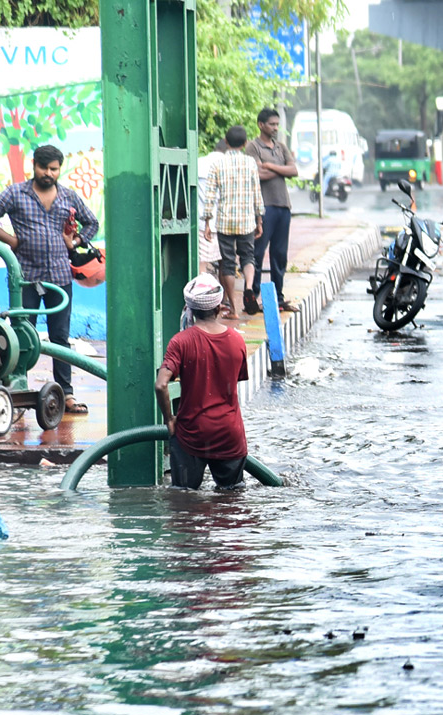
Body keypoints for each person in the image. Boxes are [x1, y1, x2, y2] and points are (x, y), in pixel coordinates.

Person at [0, 143, 99, 414]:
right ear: (34, 165)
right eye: (43, 167)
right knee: (20, 336)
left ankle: (66, 394)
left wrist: (75, 240)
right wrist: (12, 241)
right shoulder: (16, 194)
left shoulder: (68, 196)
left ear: (59, 169)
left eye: (53, 169)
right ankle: (15, 391)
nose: (48, 173)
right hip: (26, 278)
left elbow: (92, 223)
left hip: (59, 276)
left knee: (60, 338)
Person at [154, 274, 250, 490]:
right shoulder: (237, 340)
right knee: (231, 502)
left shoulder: (181, 341)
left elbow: (160, 385)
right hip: (229, 433)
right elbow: (235, 378)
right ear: (219, 308)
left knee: (184, 501)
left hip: (192, 434)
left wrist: (169, 419)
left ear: (190, 310)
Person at [201, 125, 264, 319]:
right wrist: (259, 219)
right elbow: (257, 193)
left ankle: (235, 310)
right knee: (248, 256)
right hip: (246, 220)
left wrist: (207, 223)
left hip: (225, 221)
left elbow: (210, 195)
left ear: (226, 142)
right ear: (245, 144)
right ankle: (248, 287)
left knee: (227, 263)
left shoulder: (217, 164)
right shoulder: (250, 163)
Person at [246, 107, 297, 311]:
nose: (276, 128)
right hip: (264, 207)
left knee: (280, 254)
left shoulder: (281, 147)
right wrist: (280, 170)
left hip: (283, 206)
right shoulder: (253, 147)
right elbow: (258, 174)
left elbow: (294, 171)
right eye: (272, 124)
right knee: (258, 253)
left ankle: (279, 297)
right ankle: (254, 296)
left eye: (277, 124)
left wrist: (270, 166)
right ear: (261, 125)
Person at [196, 138, 227, 277]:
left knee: (201, 263)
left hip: (203, 223)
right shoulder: (228, 166)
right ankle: (225, 298)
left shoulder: (198, 163)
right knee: (226, 263)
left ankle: (201, 295)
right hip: (225, 224)